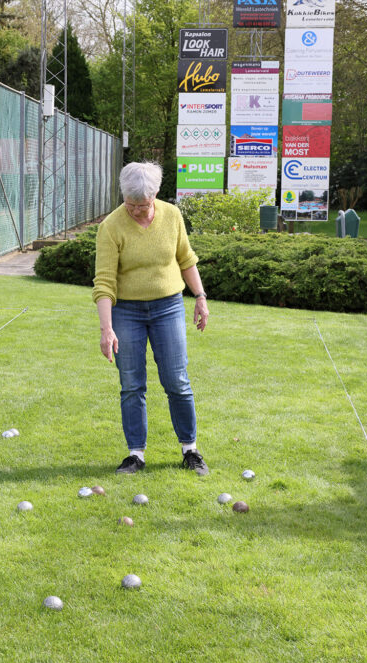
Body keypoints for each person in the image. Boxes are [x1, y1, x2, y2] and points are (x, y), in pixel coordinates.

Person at [92, 162, 211, 476]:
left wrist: (200, 297)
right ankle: (135, 455)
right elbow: (104, 282)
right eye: (130, 205)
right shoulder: (111, 226)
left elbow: (186, 259)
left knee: (177, 380)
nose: (136, 211)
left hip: (168, 307)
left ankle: (190, 450)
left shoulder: (171, 215)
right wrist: (107, 329)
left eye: (143, 205)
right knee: (131, 384)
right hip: (126, 312)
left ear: (156, 195)